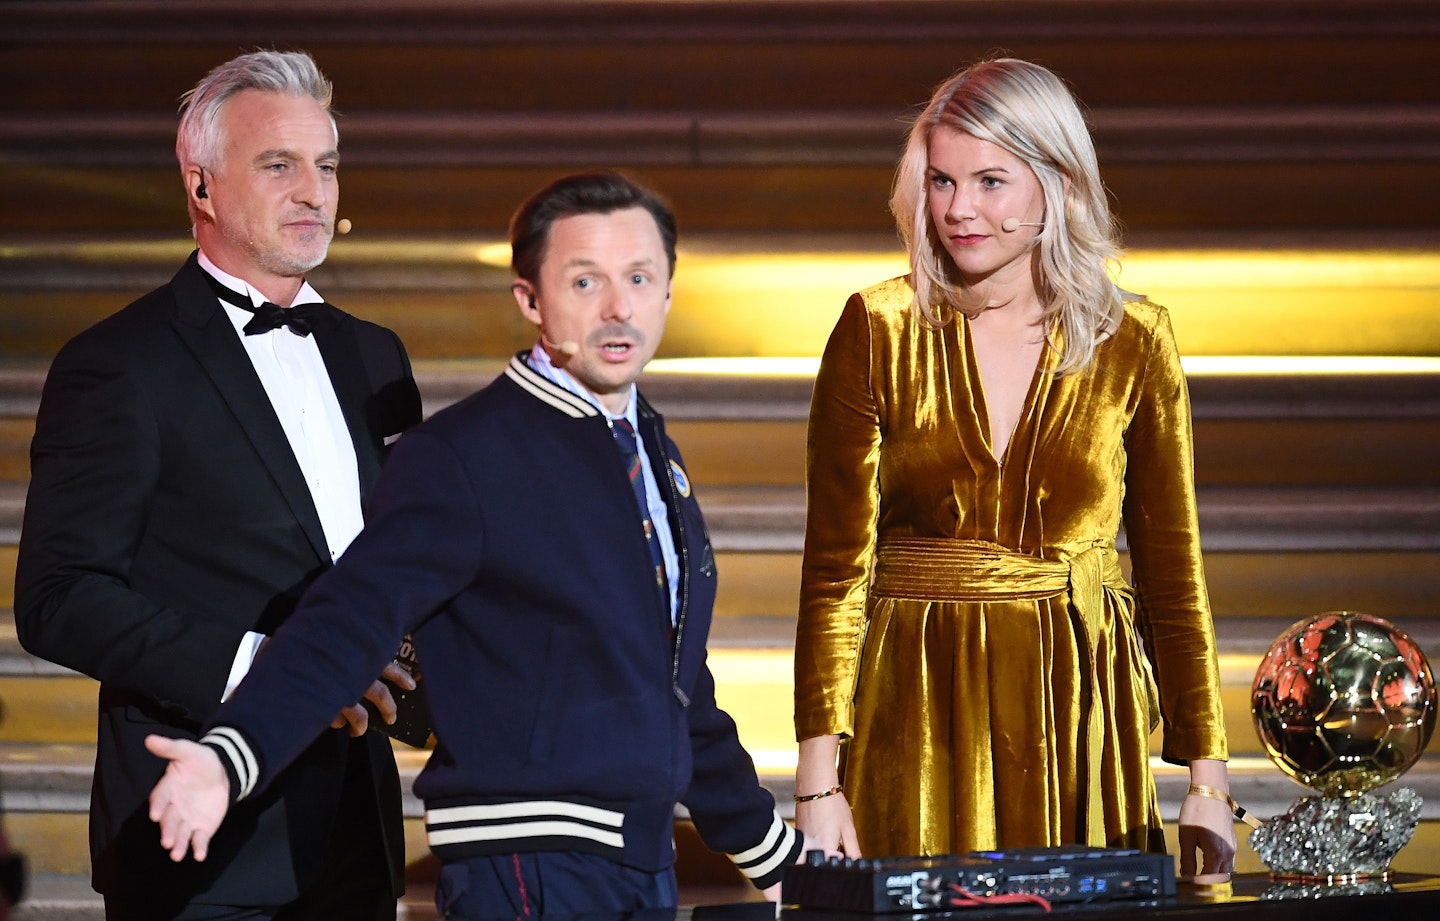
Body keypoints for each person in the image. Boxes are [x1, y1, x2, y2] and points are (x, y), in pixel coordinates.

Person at [144, 172, 806, 919]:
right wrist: (230, 756)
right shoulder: (468, 454)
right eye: (585, 280)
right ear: (530, 298)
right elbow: (348, 619)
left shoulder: (651, 450)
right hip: (524, 867)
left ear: (668, 295)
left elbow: (672, 682)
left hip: (636, 861)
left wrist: (776, 856)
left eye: (639, 278)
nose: (618, 306)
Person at [791, 58, 1237, 882]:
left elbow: (1176, 577)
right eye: (942, 181)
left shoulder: (1134, 341)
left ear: (1057, 183)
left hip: (1078, 713)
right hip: (915, 709)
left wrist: (1208, 778)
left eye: (991, 181)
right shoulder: (877, 327)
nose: (960, 209)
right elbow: (833, 577)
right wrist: (817, 786)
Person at [15, 50, 421, 919]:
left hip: (353, 840)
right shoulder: (118, 363)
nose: (315, 191)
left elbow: (399, 560)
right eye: (280, 165)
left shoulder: (373, 353)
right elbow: (57, 596)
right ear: (201, 187)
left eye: (328, 165)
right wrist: (264, 666)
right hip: (201, 851)